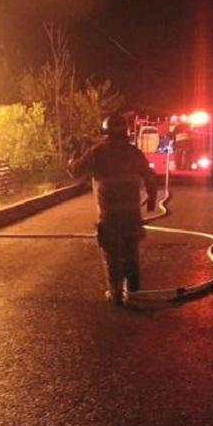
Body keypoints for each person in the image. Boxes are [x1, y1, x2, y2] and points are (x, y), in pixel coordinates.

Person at [68, 113, 158, 306]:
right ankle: (133, 292)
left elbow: (76, 172)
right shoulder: (134, 153)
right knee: (131, 252)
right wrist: (152, 198)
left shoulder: (97, 152)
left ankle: (116, 294)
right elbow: (150, 176)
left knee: (112, 255)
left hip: (109, 217)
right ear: (125, 131)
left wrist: (73, 156)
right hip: (132, 216)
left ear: (105, 131)